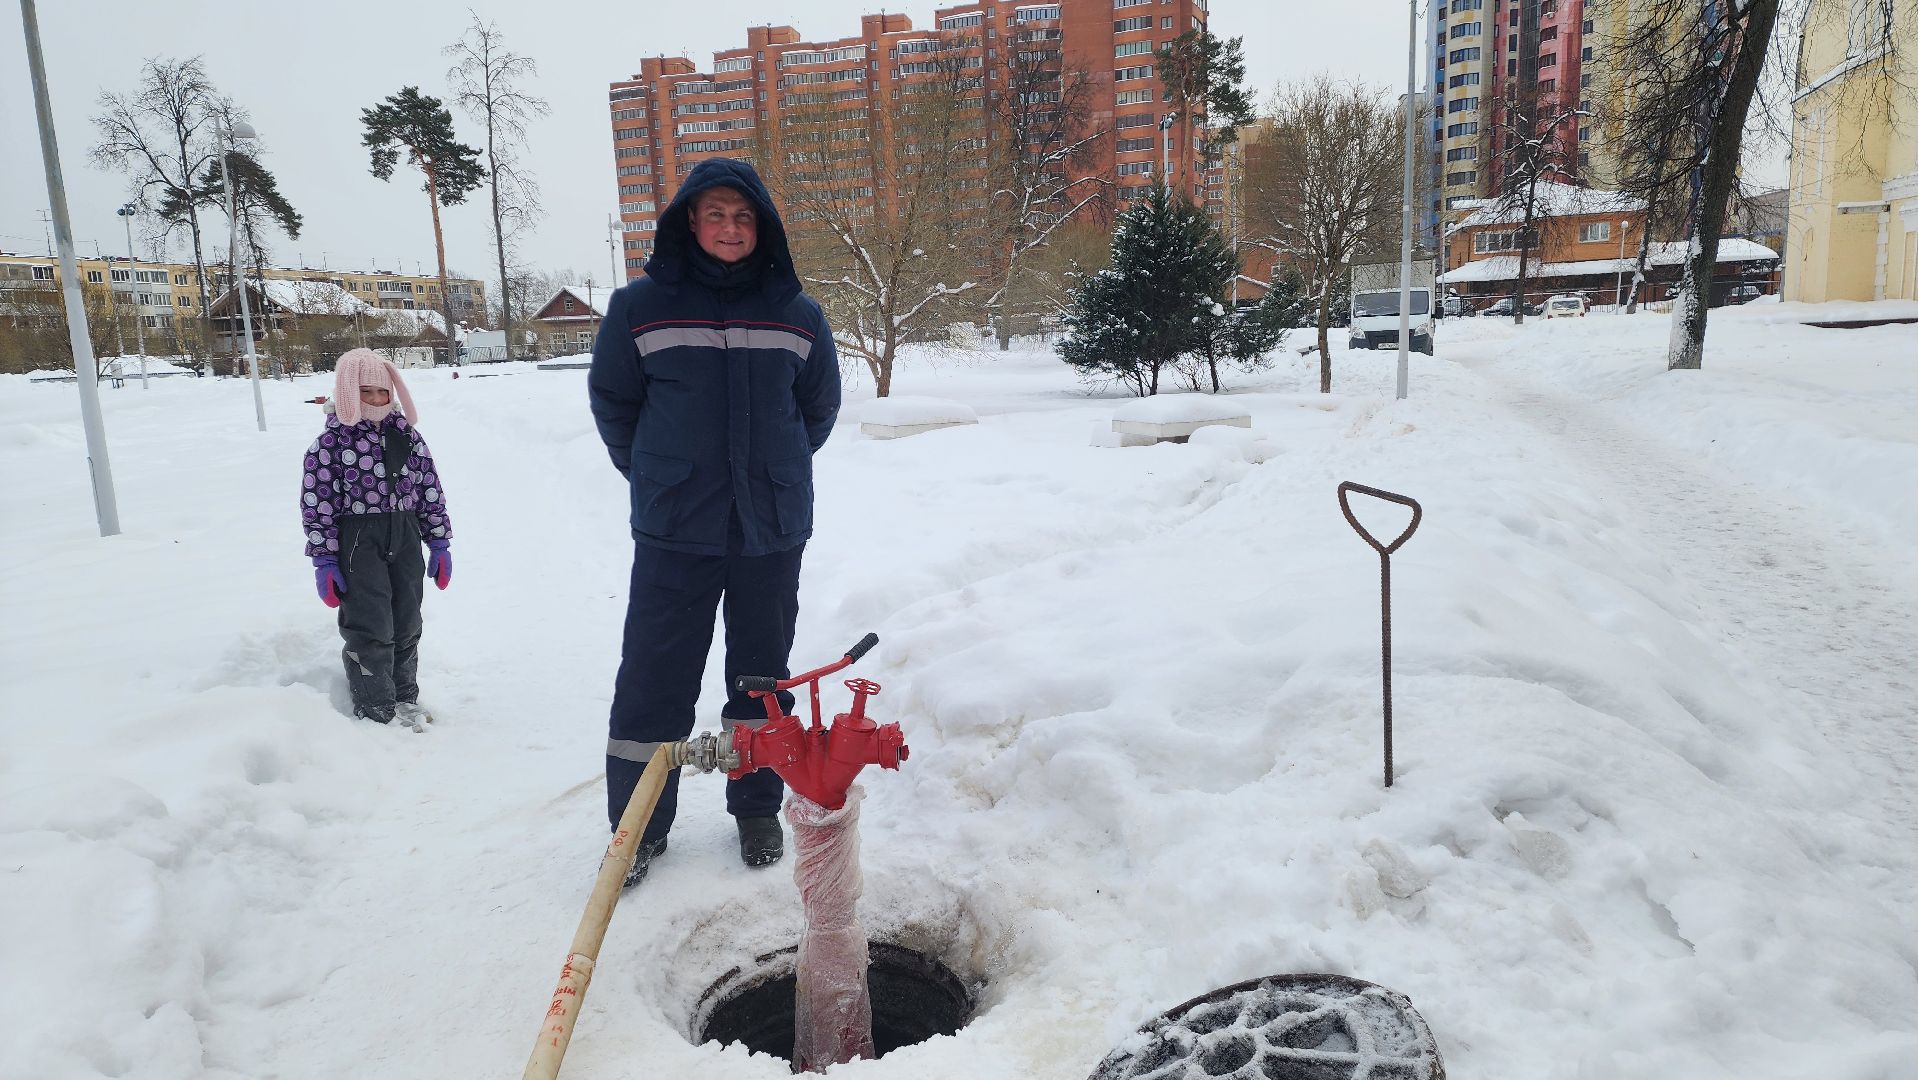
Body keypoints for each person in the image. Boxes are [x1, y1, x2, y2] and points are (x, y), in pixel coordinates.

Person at [589, 157, 841, 886]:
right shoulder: (640, 307)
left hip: (770, 530)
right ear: (689, 223)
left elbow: (816, 411)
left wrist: (772, 470)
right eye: (715, 215)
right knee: (654, 680)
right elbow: (616, 405)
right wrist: (659, 473)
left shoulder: (798, 313)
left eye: (743, 216)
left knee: (761, 681)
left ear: (760, 226)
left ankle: (755, 805)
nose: (730, 228)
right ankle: (637, 826)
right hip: (676, 531)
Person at [301, 349, 453, 730]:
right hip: (357, 541)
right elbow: (317, 504)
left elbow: (429, 489)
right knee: (371, 624)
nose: (376, 400)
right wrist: (325, 560)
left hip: (404, 535)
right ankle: (375, 708)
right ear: (349, 392)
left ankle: (404, 696)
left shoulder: (407, 438)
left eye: (383, 392)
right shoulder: (329, 446)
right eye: (366, 392)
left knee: (407, 620)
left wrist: (438, 543)